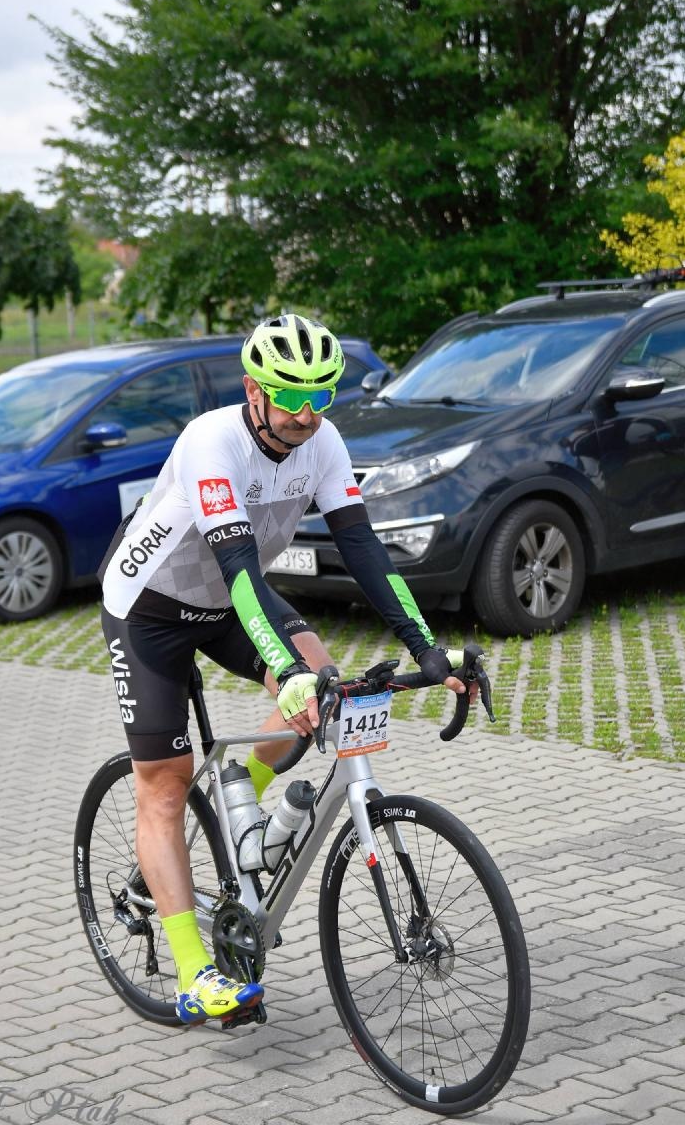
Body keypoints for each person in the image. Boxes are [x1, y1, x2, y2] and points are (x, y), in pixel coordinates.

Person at [99, 313, 476, 1024]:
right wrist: (282, 666)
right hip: (148, 606)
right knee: (166, 782)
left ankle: (245, 793)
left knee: (325, 688)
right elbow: (239, 563)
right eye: (289, 396)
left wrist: (427, 647)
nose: (306, 413)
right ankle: (192, 973)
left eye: (320, 397)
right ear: (253, 390)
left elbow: (362, 549)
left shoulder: (324, 441)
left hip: (225, 598)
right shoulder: (213, 440)